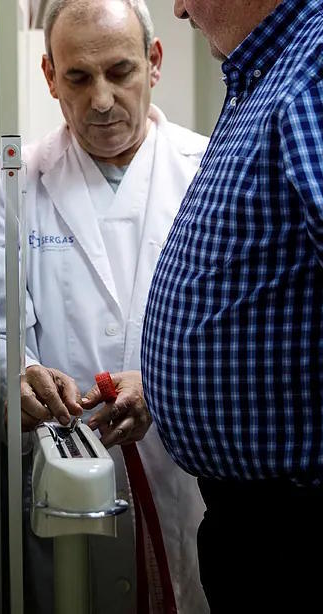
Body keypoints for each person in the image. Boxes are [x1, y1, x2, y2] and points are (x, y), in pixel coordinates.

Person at [10, 0, 210, 611]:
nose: (100, 100)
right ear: (49, 76)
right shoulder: (19, 182)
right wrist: (14, 374)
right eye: (78, 77)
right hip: (65, 479)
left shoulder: (208, 170)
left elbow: (252, 333)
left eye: (119, 71)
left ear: (153, 62)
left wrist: (165, 388)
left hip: (188, 479)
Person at [135, 0, 323, 610]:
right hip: (259, 522)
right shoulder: (263, 78)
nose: (180, 9)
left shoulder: (313, 67)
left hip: (298, 526)